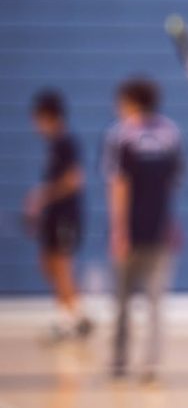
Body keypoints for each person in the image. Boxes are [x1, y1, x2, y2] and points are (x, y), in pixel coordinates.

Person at [102, 78, 183, 382]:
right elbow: (172, 185)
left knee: (122, 300)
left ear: (131, 101)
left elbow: (118, 185)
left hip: (132, 232)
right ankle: (152, 364)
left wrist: (118, 231)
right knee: (155, 302)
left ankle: (119, 361)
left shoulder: (120, 135)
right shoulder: (171, 133)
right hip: (160, 229)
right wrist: (172, 223)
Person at [25, 90, 93, 341]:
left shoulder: (67, 142)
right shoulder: (53, 145)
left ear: (48, 116)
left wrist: (43, 195)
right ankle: (79, 315)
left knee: (62, 266)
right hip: (53, 216)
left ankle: (67, 322)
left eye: (37, 118)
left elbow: (75, 180)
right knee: (48, 264)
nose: (35, 124)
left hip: (67, 216)